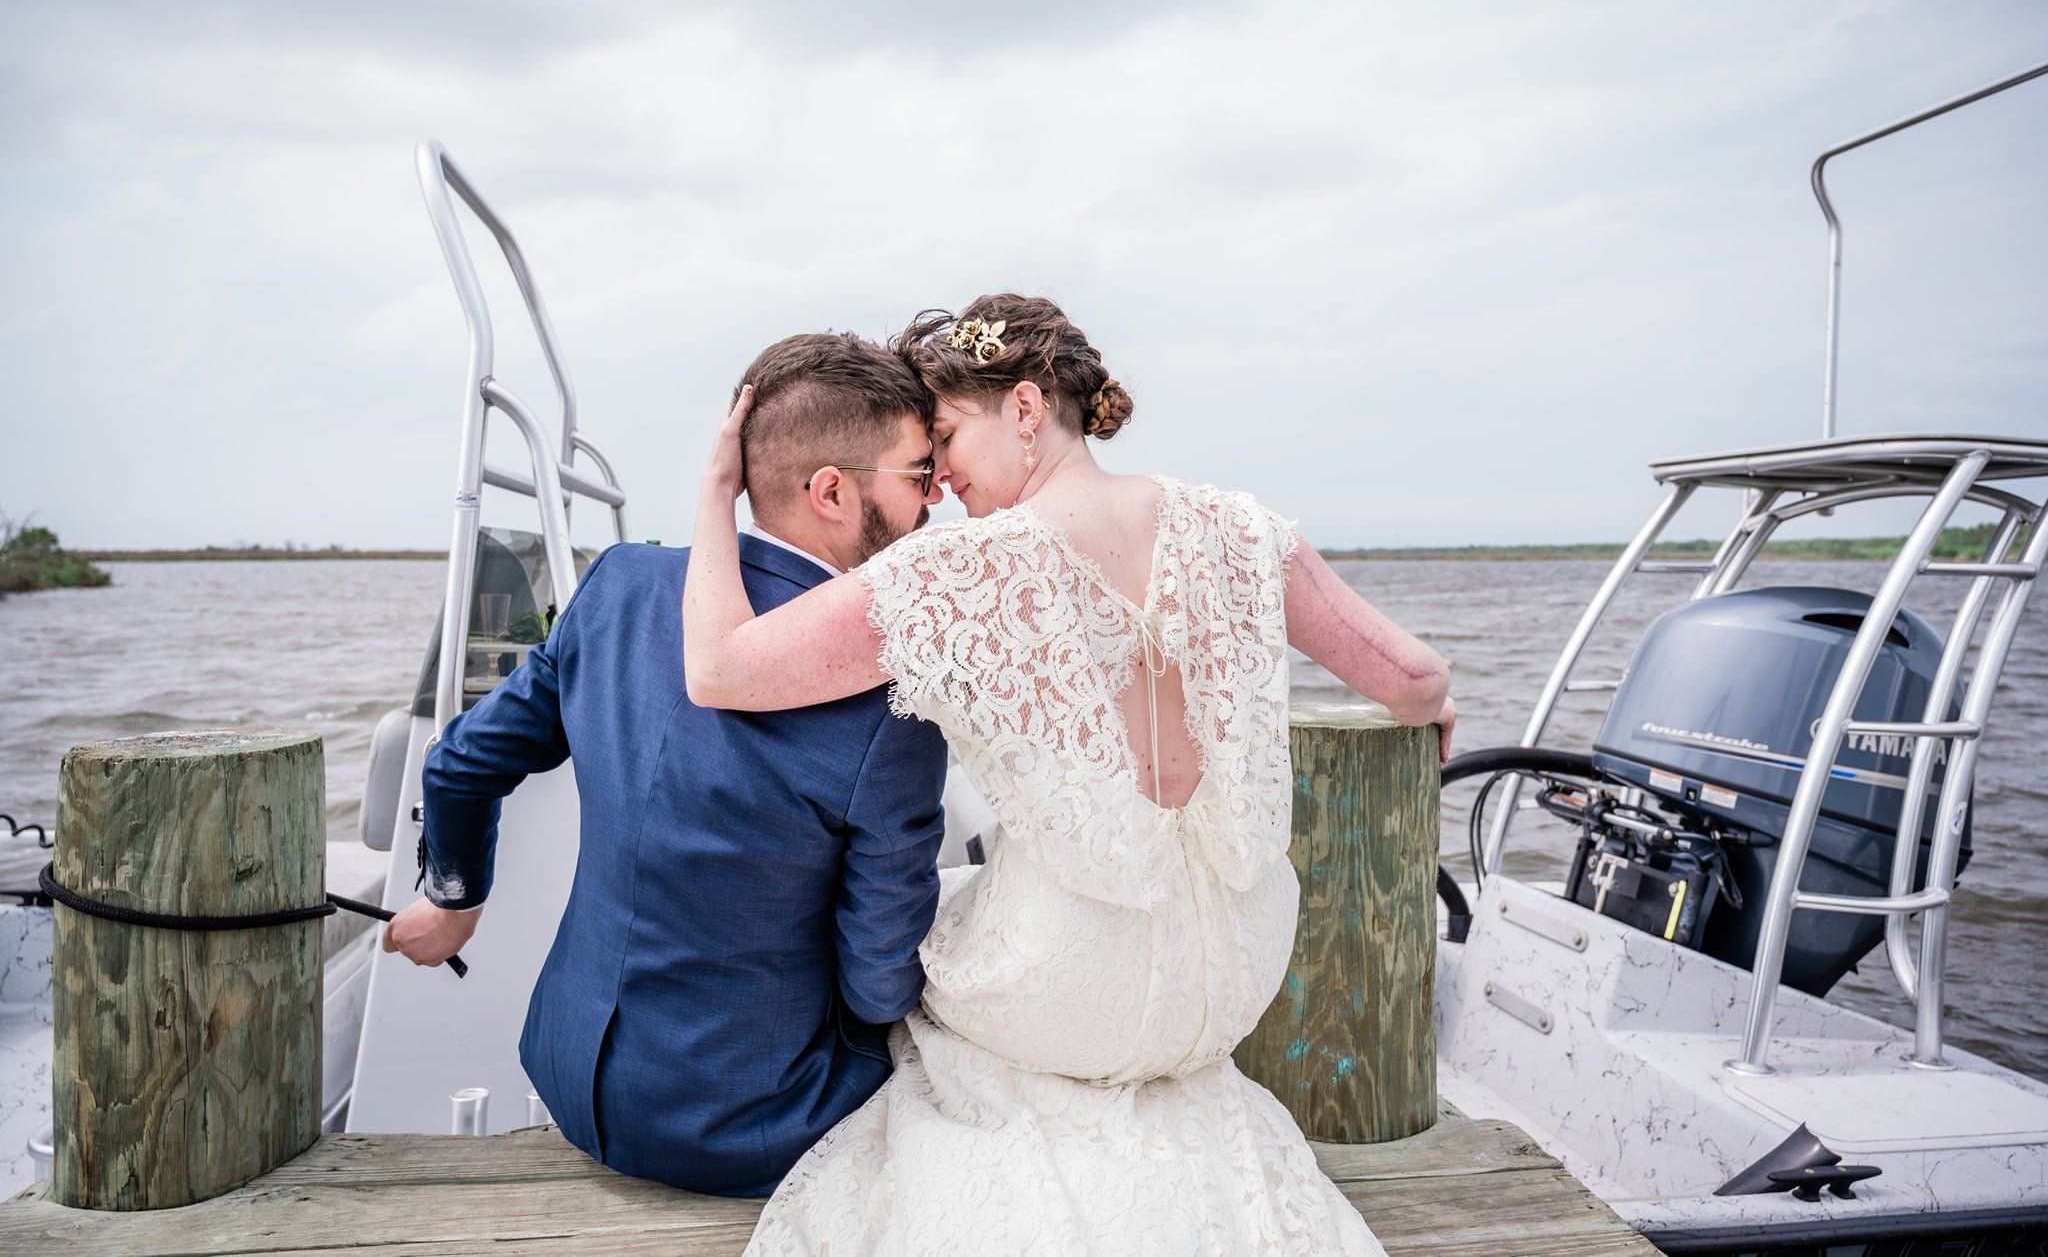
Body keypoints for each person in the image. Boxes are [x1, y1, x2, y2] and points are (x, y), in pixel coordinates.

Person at [682, 295, 1456, 1254]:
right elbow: (1416, 678)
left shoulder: (958, 568)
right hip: (1239, 971)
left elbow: (719, 668)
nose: (940, 478)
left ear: (1023, 406)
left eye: (949, 434)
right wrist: (1435, 711)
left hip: (1074, 988)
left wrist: (717, 494)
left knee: (932, 949)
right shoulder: (1240, 525)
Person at [381, 332, 951, 1197]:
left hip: (570, 1077)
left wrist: (452, 900)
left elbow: (460, 762)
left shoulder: (616, 586)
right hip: (755, 1126)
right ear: (832, 491)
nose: (934, 496)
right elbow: (878, 985)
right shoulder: (896, 699)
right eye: (917, 474)